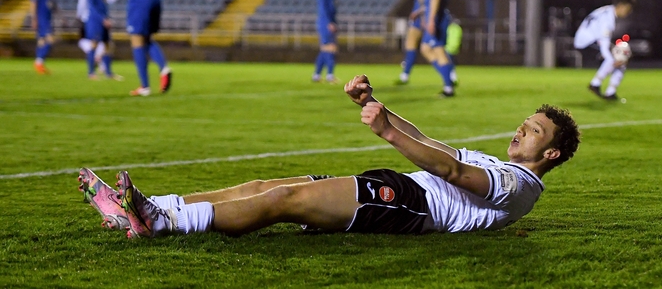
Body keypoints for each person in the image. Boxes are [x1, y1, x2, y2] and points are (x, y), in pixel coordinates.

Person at [77, 74, 580, 238]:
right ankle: (153, 205)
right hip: (399, 189)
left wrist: (384, 132)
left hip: (408, 205)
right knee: (262, 187)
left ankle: (164, 223)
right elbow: (435, 146)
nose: (521, 129)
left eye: (533, 129)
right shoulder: (504, 166)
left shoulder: (519, 186)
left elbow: (447, 170)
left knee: (284, 199)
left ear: (550, 151)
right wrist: (375, 105)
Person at [573, 0, 636, 101]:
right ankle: (595, 84)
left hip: (589, 40)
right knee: (616, 58)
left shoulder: (607, 11)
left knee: (621, 58)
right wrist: (612, 60)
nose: (629, 12)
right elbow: (604, 45)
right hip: (586, 43)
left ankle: (610, 93)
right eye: (628, 8)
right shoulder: (608, 19)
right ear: (622, 6)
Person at [419, 0, 457, 96]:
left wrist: (431, 19)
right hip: (435, 16)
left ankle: (449, 86)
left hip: (438, 18)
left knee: (438, 50)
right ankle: (449, 76)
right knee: (426, 49)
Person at [81, 0, 122, 80]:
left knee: (108, 45)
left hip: (104, 19)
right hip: (94, 21)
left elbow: (104, 4)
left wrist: (106, 17)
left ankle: (108, 73)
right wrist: (102, 19)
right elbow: (91, 7)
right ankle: (91, 73)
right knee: (93, 44)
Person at [312, 0, 339, 83]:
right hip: (324, 22)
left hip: (330, 21)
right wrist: (329, 22)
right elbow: (322, 7)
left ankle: (316, 75)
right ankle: (329, 75)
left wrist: (333, 21)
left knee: (325, 48)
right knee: (330, 47)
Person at [30, 0, 56, 74]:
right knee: (50, 40)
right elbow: (33, 5)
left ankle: (40, 64)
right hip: (41, 19)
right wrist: (34, 19)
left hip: (48, 19)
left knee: (41, 42)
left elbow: (52, 6)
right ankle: (38, 62)